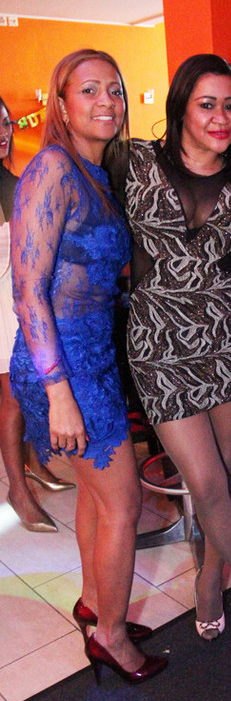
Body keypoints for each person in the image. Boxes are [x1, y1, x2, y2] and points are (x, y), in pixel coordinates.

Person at [9, 49, 167, 685]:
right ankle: (111, 637)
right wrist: (58, 392)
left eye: (115, 90)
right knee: (124, 503)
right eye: (90, 90)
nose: (107, 101)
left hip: (92, 359)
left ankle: (95, 605)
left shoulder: (95, 171)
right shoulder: (52, 166)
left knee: (100, 500)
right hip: (63, 366)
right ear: (62, 104)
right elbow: (27, 290)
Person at [125, 54, 231, 649]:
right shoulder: (135, 160)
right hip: (158, 343)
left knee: (229, 472)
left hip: (229, 337)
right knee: (207, 481)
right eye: (206, 104)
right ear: (181, 107)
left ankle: (211, 579)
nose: (221, 117)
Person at [0, 97, 75, 533]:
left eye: (5, 123)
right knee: (12, 398)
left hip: (22, 300)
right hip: (1, 305)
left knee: (29, 390)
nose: (2, 132)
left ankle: (33, 464)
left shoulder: (19, 181)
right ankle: (18, 490)